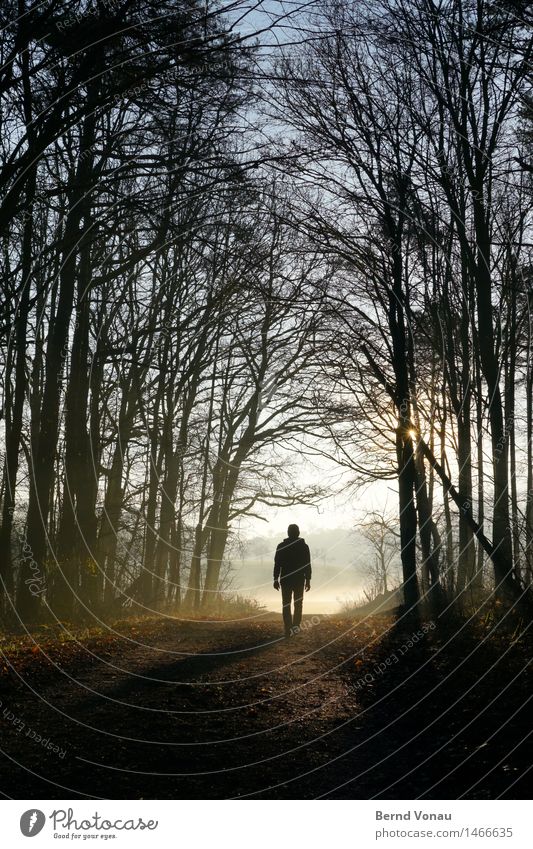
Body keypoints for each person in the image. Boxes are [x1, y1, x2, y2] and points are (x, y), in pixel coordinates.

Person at [273, 524, 311, 637]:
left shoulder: (281, 546)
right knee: (298, 604)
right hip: (299, 579)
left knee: (286, 604)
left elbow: (277, 564)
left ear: (288, 533)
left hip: (285, 579)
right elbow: (307, 565)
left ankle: (288, 627)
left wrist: (275, 578)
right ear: (298, 533)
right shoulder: (304, 547)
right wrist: (308, 580)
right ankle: (295, 627)